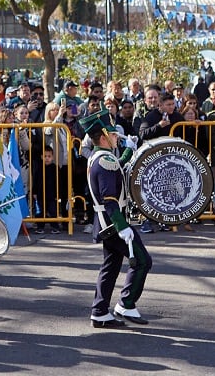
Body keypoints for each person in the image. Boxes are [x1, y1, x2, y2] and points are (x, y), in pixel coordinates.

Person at [81, 112, 152, 328]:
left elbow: (117, 167)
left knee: (110, 266)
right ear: (103, 137)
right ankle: (126, 303)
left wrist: (130, 149)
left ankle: (100, 311)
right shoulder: (104, 160)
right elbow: (109, 198)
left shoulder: (100, 156)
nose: (116, 138)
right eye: (113, 135)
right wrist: (122, 227)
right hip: (113, 223)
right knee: (142, 261)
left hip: (107, 222)